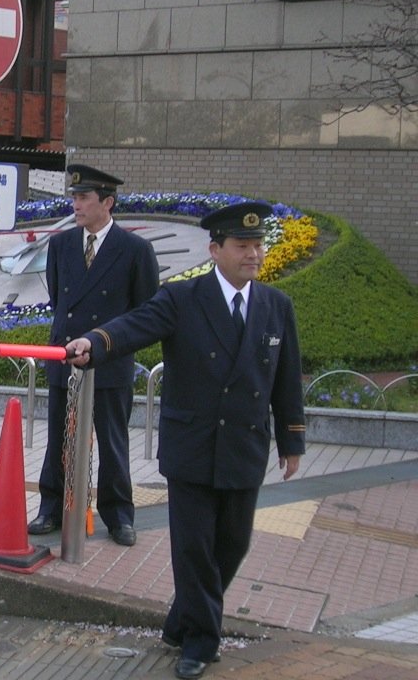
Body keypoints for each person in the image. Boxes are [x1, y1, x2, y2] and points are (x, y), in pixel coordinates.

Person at [64, 200, 306, 680]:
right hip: (192, 444)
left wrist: (291, 440)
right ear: (215, 250)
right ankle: (200, 641)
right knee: (193, 548)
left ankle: (181, 619)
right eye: (242, 246)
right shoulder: (182, 298)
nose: (253, 255)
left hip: (245, 445)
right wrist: (97, 340)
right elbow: (135, 325)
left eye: (257, 245)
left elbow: (286, 379)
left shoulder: (277, 306)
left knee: (232, 544)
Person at [28, 164, 159, 546]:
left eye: (84, 198)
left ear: (108, 202)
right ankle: (50, 508)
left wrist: (107, 343)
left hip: (110, 363)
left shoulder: (134, 250)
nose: (76, 204)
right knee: (58, 440)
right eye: (74, 197)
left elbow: (145, 312)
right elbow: (59, 299)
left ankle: (119, 515)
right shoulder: (62, 245)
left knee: (113, 442)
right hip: (64, 358)